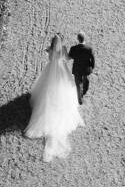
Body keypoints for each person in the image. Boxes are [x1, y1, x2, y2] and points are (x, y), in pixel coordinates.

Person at [25, 34, 84, 162]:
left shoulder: (50, 50)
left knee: (46, 89)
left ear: (52, 42)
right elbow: (67, 58)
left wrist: (49, 51)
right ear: (61, 42)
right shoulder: (63, 48)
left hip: (51, 70)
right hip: (62, 70)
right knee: (64, 88)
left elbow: (50, 58)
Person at [68, 32, 95, 105]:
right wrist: (92, 67)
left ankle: (79, 99)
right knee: (86, 81)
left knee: (77, 83)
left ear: (78, 39)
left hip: (77, 69)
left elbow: (70, 57)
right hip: (86, 69)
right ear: (84, 38)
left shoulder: (73, 48)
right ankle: (83, 93)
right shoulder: (89, 48)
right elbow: (92, 59)